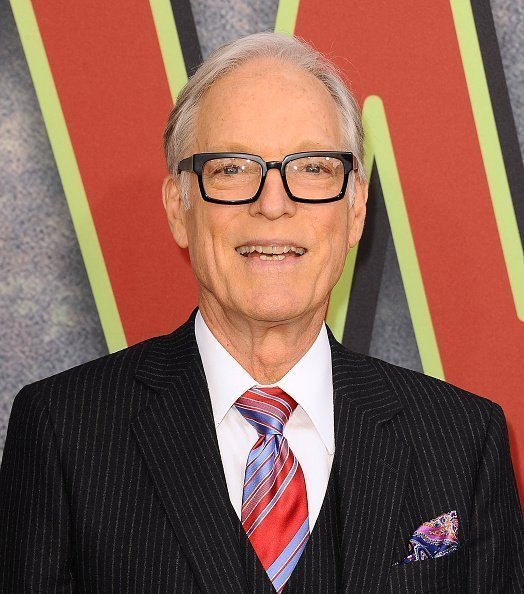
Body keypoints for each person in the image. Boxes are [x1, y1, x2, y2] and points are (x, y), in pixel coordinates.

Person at [0, 32, 522, 593]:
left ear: (355, 209)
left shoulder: (462, 440)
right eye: (232, 169)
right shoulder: (64, 431)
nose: (273, 203)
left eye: (313, 168)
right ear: (179, 207)